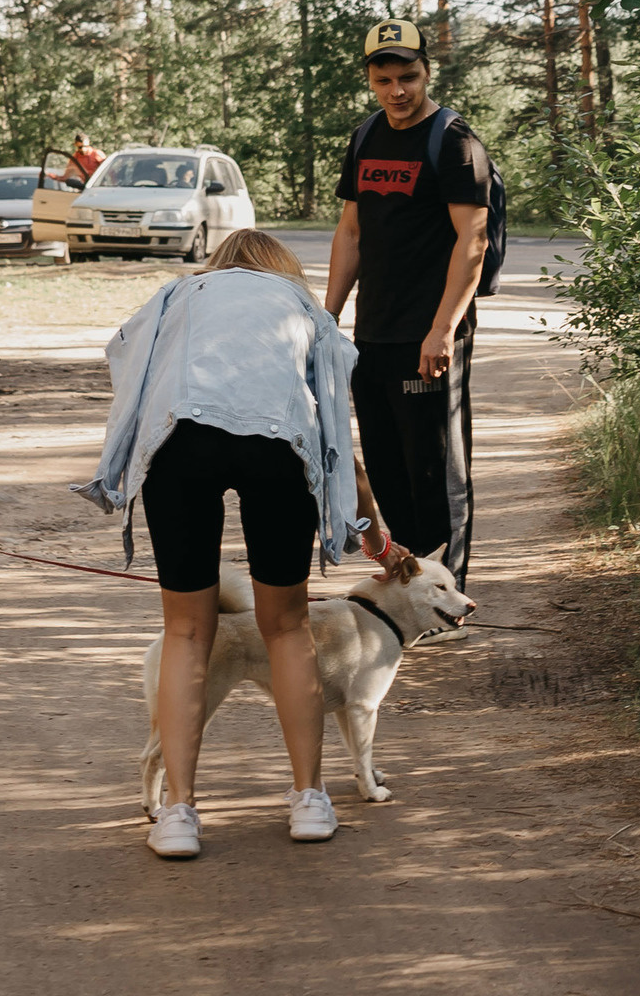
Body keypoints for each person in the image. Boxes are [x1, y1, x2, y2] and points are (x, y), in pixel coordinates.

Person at [78, 228, 407, 861]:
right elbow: (333, 420)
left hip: (179, 444)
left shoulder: (180, 297)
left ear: (218, 265)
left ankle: (177, 812)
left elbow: (126, 361)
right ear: (284, 272)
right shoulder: (303, 308)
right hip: (276, 447)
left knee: (186, 632)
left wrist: (123, 465)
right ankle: (309, 799)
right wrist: (364, 517)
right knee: (286, 628)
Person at [323, 19, 493, 586]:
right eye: (385, 79)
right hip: (375, 333)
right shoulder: (366, 137)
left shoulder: (454, 142)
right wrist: (328, 317)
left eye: (409, 77)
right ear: (370, 80)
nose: (398, 90)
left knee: (436, 474)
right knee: (389, 470)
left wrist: (443, 329)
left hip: (431, 335)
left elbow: (473, 240)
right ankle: (410, 591)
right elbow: (351, 232)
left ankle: (447, 599)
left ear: (427, 72)